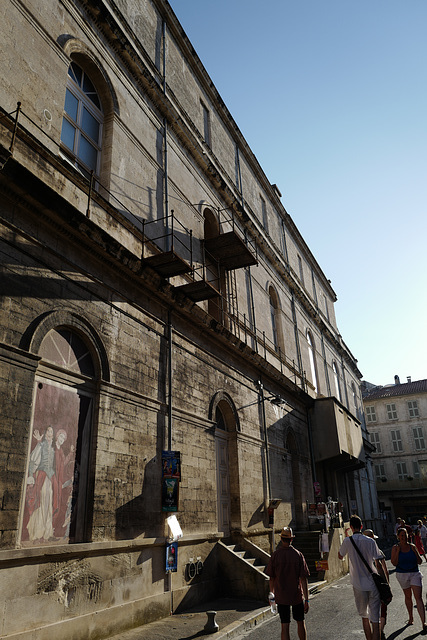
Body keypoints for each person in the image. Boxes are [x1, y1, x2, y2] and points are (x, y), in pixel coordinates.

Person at [338, 515, 383, 640]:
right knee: (375, 619)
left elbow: (340, 556)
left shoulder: (348, 541)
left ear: (351, 527)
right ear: (362, 526)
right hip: (373, 583)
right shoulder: (371, 541)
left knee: (364, 617)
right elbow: (378, 562)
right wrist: (385, 582)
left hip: (358, 584)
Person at [266, 526, 310, 640]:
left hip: (281, 596)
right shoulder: (298, 555)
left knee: (284, 626)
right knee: (300, 622)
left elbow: (271, 578)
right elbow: (304, 579)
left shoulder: (275, 555)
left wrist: (272, 596)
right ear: (291, 539)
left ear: (281, 539)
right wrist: (307, 599)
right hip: (296, 596)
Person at [391, 526, 426, 632]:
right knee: (408, 596)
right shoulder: (395, 548)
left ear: (408, 536)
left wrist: (415, 552)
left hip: (414, 573)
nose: (403, 537)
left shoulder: (412, 546)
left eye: (405, 535)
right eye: (401, 535)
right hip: (402, 574)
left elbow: (419, 561)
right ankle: (411, 617)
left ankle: (424, 622)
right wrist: (397, 552)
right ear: (398, 536)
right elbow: (394, 563)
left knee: (418, 597)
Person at [364, 529, 390, 640]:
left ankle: (377, 630)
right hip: (379, 583)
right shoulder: (377, 550)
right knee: (382, 608)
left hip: (366, 584)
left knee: (372, 610)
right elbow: (383, 568)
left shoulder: (361, 551)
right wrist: (387, 584)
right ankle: (381, 630)